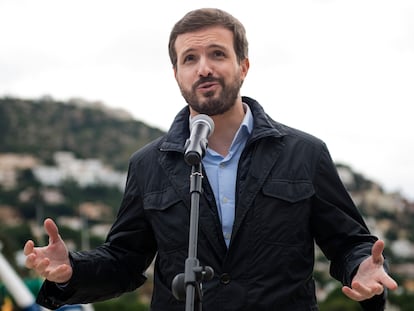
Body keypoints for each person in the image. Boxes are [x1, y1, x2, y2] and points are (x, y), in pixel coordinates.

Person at [24, 7, 398, 311]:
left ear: (243, 66)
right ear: (177, 74)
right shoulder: (147, 164)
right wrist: (71, 270)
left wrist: (361, 266)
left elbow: (348, 243)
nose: (204, 67)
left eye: (217, 54)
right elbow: (124, 261)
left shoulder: (305, 153)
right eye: (190, 58)